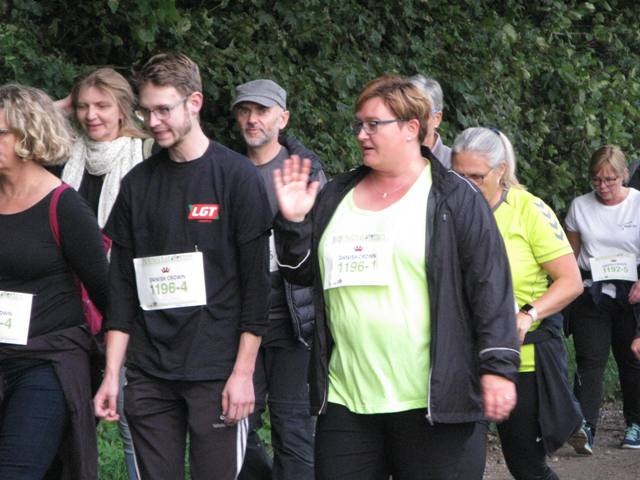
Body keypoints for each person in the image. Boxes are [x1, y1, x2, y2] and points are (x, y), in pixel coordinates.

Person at [272, 75, 519, 479]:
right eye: (359, 124)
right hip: (346, 398)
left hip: (430, 402)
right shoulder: (335, 195)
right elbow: (300, 275)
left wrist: (498, 368)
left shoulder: (455, 198)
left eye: (374, 124)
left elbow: (489, 289)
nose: (361, 134)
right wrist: (295, 221)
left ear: (410, 128)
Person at [93, 53, 272, 479]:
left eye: (163, 109)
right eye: (145, 111)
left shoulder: (237, 177)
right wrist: (112, 374)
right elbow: (121, 289)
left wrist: (243, 373)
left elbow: (257, 288)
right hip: (149, 370)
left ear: (194, 103)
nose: (153, 121)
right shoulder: (137, 184)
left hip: (217, 370)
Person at [452, 126, 584, 479]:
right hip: (459, 359)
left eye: (476, 177)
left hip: (520, 361)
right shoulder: (444, 208)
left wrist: (528, 314)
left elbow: (570, 282)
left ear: (500, 171)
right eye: (459, 176)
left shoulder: (529, 210)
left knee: (526, 465)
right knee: (459, 468)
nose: (466, 186)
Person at [0, 84, 109, 479]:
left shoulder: (65, 206)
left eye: (0, 133)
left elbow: (107, 294)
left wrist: (114, 370)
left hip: (46, 362)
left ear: (29, 136)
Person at [60, 67, 151, 480]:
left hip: (127, 302)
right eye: (82, 106)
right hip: (69, 307)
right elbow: (16, 121)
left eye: (102, 105)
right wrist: (61, 105)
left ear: (122, 108)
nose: (90, 115)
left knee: (133, 418)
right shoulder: (64, 153)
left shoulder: (146, 153)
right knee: (70, 417)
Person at [231, 79, 323, 480]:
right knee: (235, 424)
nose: (252, 119)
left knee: (294, 429)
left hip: (294, 324)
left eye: (262, 111)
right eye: (244, 110)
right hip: (237, 324)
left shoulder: (307, 173)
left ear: (282, 118)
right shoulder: (224, 171)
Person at [564, 144, 640, 451]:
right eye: (597, 179)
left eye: (610, 179)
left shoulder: (637, 203)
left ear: (624, 175)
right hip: (592, 291)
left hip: (632, 293)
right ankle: (584, 426)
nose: (603, 186)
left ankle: (636, 423)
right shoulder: (580, 206)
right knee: (590, 358)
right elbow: (569, 255)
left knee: (631, 358)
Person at [409, 74, 452, 168]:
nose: (412, 120)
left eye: (421, 113)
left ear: (437, 119)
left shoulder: (453, 163)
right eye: (406, 112)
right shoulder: (391, 158)